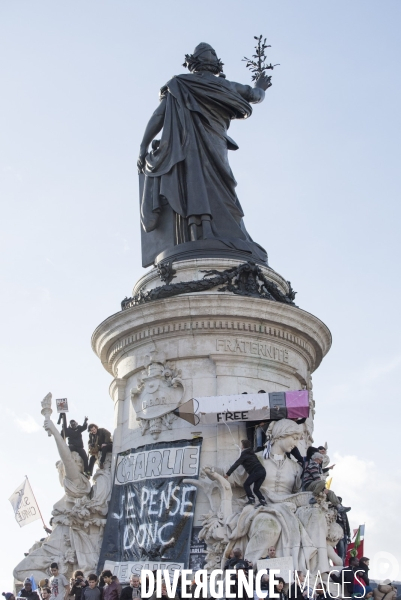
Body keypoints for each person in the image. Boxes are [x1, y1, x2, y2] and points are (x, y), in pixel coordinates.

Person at [225, 439, 267, 506]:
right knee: (256, 489)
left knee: (246, 485)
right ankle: (262, 500)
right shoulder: (252, 454)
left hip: (256, 471)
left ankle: (251, 499)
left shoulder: (244, 454)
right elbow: (250, 461)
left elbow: (236, 464)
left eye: (241, 445)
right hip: (263, 472)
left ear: (243, 446)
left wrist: (228, 473)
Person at [335, 497, 351, 563]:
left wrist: (349, 535)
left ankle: (342, 566)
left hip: (344, 532)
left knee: (344, 552)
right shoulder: (332, 509)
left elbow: (347, 523)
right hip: (336, 532)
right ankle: (339, 564)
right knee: (340, 549)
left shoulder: (343, 512)